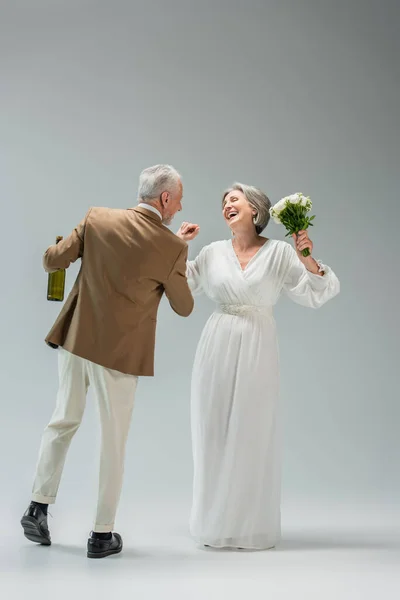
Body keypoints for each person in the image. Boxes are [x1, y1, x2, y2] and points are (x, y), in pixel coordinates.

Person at [21, 164, 193, 558]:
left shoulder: (97, 218)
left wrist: (57, 250)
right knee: (112, 442)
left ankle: (37, 507)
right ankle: (101, 535)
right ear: (164, 199)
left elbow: (53, 260)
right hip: (119, 356)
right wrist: (178, 252)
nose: (181, 206)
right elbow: (184, 306)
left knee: (62, 421)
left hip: (77, 341)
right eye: (179, 198)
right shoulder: (172, 247)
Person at [177, 183, 340, 550]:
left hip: (258, 344)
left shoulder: (280, 253)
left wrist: (307, 256)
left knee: (252, 433)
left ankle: (249, 525)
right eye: (223, 202)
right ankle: (215, 523)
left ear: (256, 209)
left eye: (234, 199)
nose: (226, 206)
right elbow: (182, 285)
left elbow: (317, 292)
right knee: (213, 429)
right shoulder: (212, 253)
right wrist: (180, 246)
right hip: (217, 343)